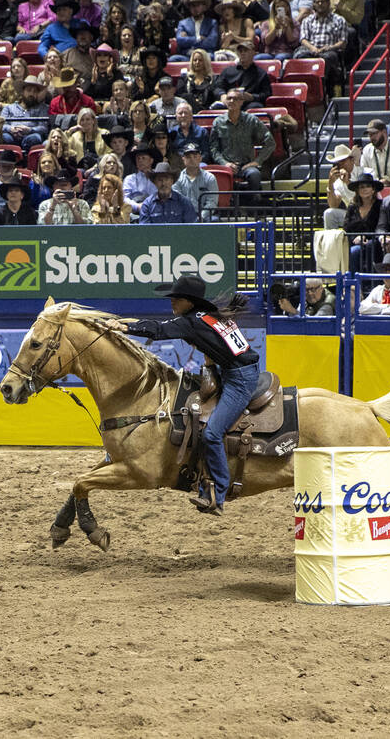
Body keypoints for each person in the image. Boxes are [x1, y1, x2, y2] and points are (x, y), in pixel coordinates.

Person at [106, 274, 260, 515]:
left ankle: (218, 493)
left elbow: (158, 330)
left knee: (212, 433)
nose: (172, 302)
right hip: (234, 371)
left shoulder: (192, 322)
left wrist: (127, 327)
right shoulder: (206, 317)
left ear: (190, 301)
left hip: (239, 379)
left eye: (177, 298)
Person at [294, 0, 348, 97]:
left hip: (329, 50)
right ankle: (306, 84)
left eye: (323, 2)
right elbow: (303, 39)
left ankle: (320, 85)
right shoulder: (307, 20)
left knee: (327, 58)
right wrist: (313, 48)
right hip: (310, 50)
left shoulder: (339, 20)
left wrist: (329, 47)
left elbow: (343, 42)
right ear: (313, 4)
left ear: (328, 3)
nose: (320, 4)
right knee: (300, 55)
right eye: (317, 2)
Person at [210, 40, 271, 110]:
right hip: (230, 102)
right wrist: (222, 95)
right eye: (241, 51)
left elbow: (266, 94)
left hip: (249, 103)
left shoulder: (261, 74)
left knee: (256, 107)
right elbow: (217, 87)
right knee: (216, 107)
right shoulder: (228, 71)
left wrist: (252, 97)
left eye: (246, 51)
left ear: (254, 53)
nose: (243, 53)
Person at [174, 142, 219, 221]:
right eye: (188, 157)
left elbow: (212, 202)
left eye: (195, 156)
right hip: (184, 215)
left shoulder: (210, 178)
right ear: (183, 158)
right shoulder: (177, 178)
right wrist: (188, 217)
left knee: (214, 220)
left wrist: (201, 217)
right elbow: (177, 201)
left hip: (204, 215)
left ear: (200, 158)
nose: (192, 160)